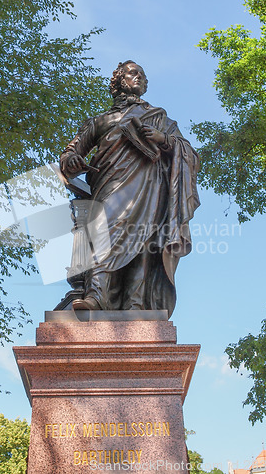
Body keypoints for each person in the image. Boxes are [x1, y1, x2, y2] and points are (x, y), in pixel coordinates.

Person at [60, 60, 200, 317]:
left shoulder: (159, 117)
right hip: (110, 184)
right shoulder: (102, 120)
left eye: (143, 75)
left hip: (150, 187)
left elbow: (190, 154)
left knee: (144, 241)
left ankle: (136, 304)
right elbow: (71, 153)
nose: (140, 78)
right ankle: (96, 296)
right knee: (105, 232)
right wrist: (72, 161)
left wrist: (164, 139)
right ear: (120, 80)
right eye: (134, 73)